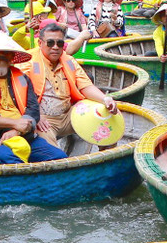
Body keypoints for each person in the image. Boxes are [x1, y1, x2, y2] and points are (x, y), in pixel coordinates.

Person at [0, 34, 68, 165]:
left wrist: (17, 130)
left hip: (22, 133)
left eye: (6, 52)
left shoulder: (23, 78)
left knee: (60, 157)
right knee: (10, 160)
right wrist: (14, 123)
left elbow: (33, 110)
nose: (1, 55)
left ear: (12, 57)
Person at [22, 21, 117, 149]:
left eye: (60, 43)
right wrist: (35, 116)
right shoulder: (27, 62)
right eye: (50, 43)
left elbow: (85, 86)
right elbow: (18, 95)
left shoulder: (69, 60)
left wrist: (105, 99)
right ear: (40, 43)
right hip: (44, 120)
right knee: (53, 153)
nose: (55, 47)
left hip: (70, 115)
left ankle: (106, 153)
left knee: (104, 115)